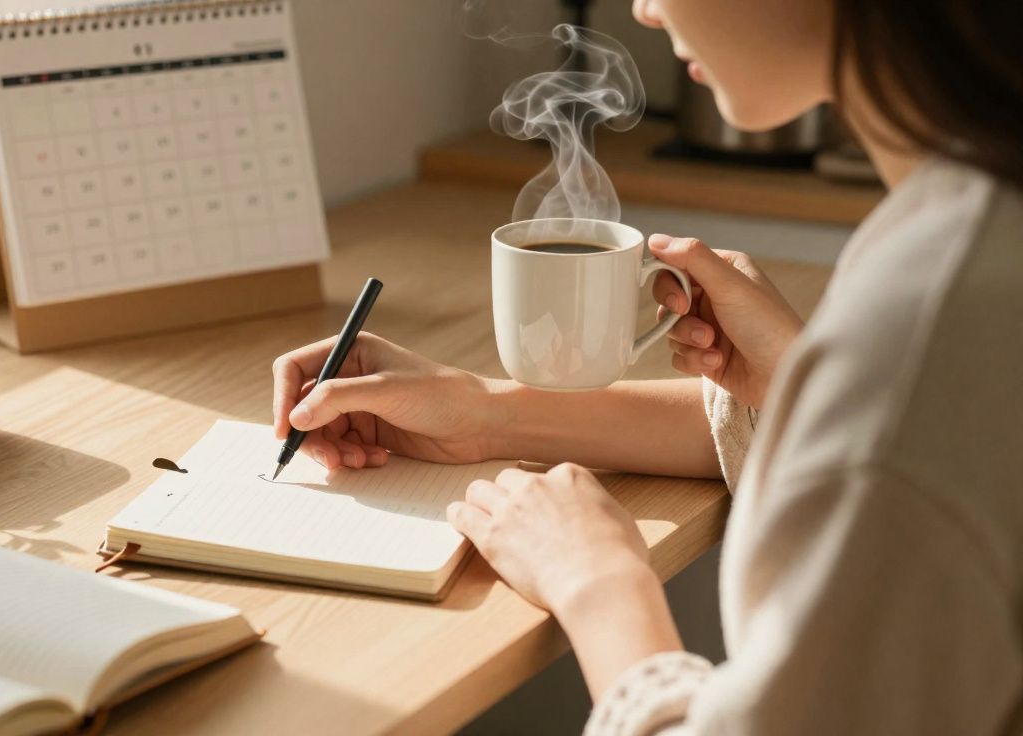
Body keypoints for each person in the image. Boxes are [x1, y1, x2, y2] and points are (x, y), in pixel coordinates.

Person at [272, 0, 1023, 732]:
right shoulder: (971, 230)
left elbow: (889, 442)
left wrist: (599, 582)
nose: (646, 11)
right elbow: (909, 454)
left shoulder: (925, 322)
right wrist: (482, 412)